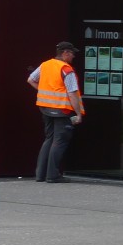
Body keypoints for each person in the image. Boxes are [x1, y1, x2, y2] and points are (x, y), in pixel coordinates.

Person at [27, 41, 85, 183]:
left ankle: (40, 174)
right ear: (65, 53)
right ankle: (52, 175)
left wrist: (45, 93)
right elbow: (72, 93)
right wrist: (78, 114)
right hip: (62, 110)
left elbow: (30, 80)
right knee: (59, 141)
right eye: (72, 54)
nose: (73, 57)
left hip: (45, 108)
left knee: (49, 139)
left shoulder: (45, 65)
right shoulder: (66, 69)